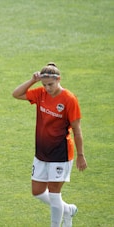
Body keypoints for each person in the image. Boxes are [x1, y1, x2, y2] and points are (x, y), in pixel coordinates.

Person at [12, 62, 88, 227]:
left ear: (59, 79)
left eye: (51, 84)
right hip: (41, 152)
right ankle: (68, 210)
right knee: (37, 192)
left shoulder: (69, 99)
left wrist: (81, 155)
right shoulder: (40, 93)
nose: (47, 88)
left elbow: (77, 130)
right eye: (44, 85)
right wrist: (32, 81)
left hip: (60, 153)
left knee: (54, 193)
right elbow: (16, 94)